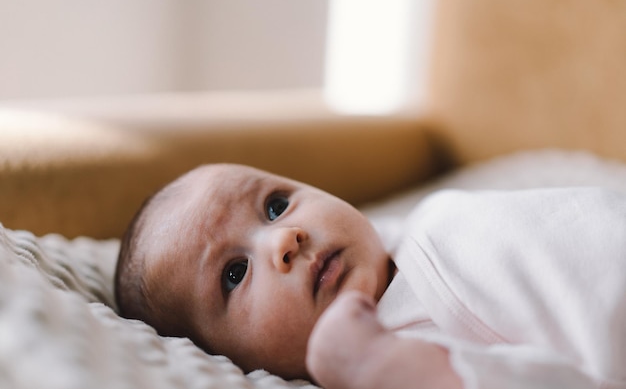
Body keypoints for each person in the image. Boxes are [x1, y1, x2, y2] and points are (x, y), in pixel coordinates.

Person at [115, 163, 626, 389]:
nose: (285, 239)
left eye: (275, 205)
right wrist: (378, 365)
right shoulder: (398, 347)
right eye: (234, 274)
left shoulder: (402, 233)